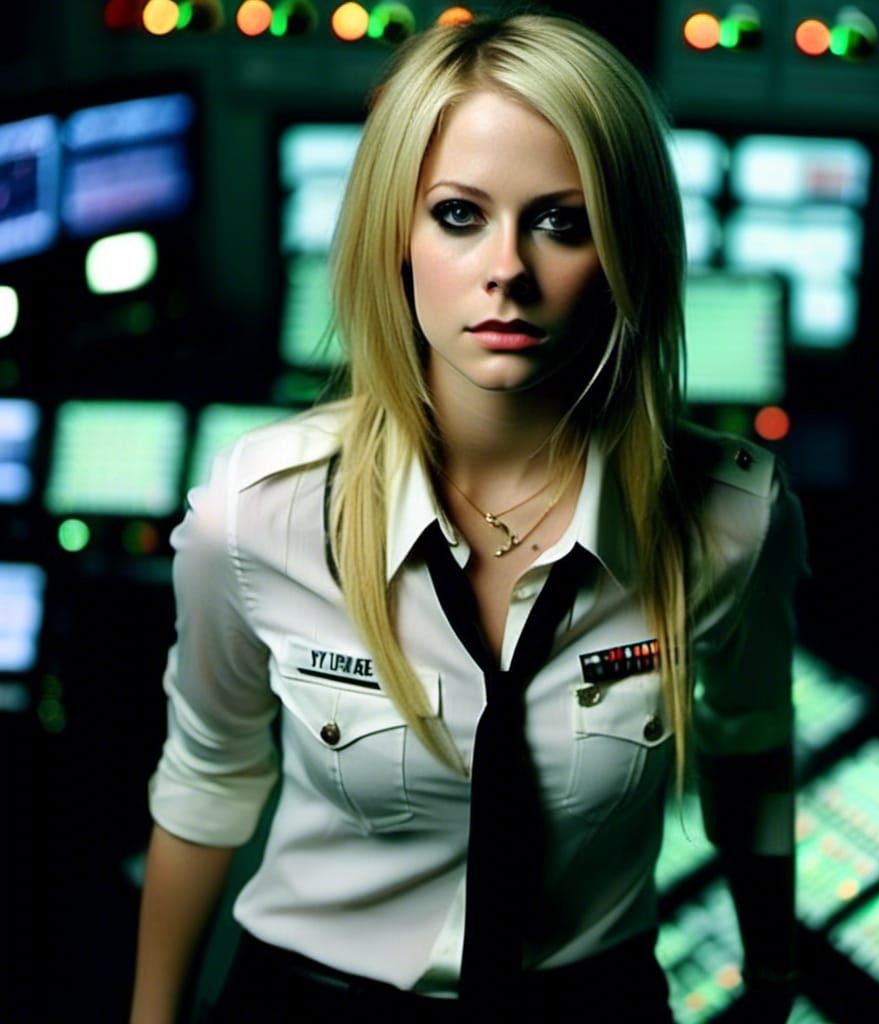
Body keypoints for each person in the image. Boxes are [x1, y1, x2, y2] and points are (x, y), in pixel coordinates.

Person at [130, 13, 806, 1024]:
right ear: (395, 237)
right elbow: (207, 779)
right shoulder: (258, 511)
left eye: (563, 223)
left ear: (629, 247)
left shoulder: (733, 519)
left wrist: (774, 975)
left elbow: (750, 744)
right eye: (458, 215)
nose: (508, 271)